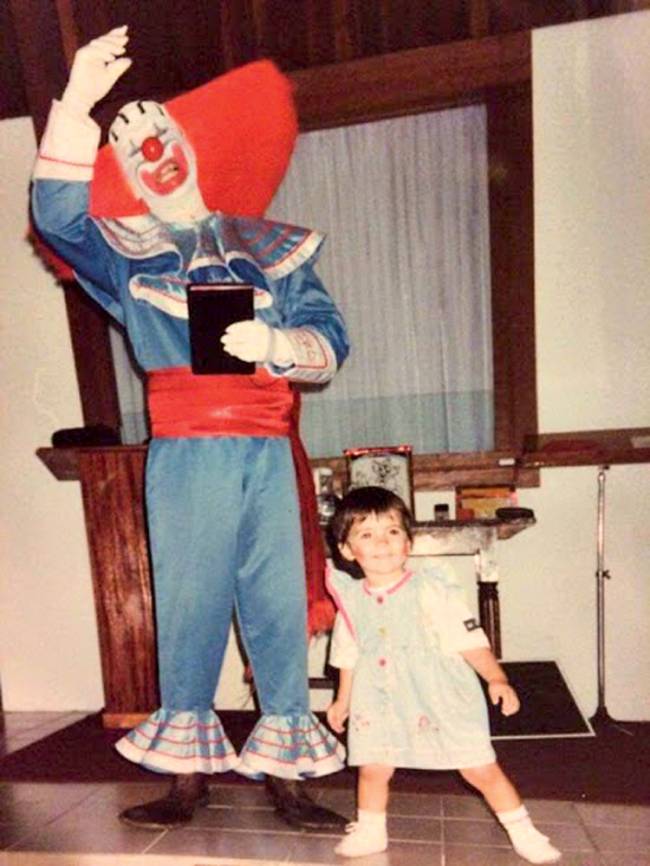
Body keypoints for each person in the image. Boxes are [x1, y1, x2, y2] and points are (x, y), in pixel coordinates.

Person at [30, 26, 349, 830]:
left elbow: (329, 333)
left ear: (191, 145)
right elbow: (58, 217)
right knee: (191, 603)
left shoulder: (275, 247)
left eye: (160, 133)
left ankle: (287, 780)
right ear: (130, 175)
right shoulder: (126, 255)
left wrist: (280, 345)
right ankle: (184, 781)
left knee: (276, 605)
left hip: (268, 454)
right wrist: (75, 104)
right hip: (186, 454)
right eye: (134, 147)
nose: (152, 151)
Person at [325, 486, 562, 863]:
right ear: (347, 550)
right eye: (366, 535)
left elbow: (467, 638)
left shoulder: (430, 588)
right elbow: (348, 654)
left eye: (392, 531)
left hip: (439, 692)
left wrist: (496, 678)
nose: (382, 543)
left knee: (478, 767)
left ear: (408, 542)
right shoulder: (351, 601)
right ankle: (371, 830)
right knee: (373, 766)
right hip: (378, 697)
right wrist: (343, 698)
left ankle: (523, 830)